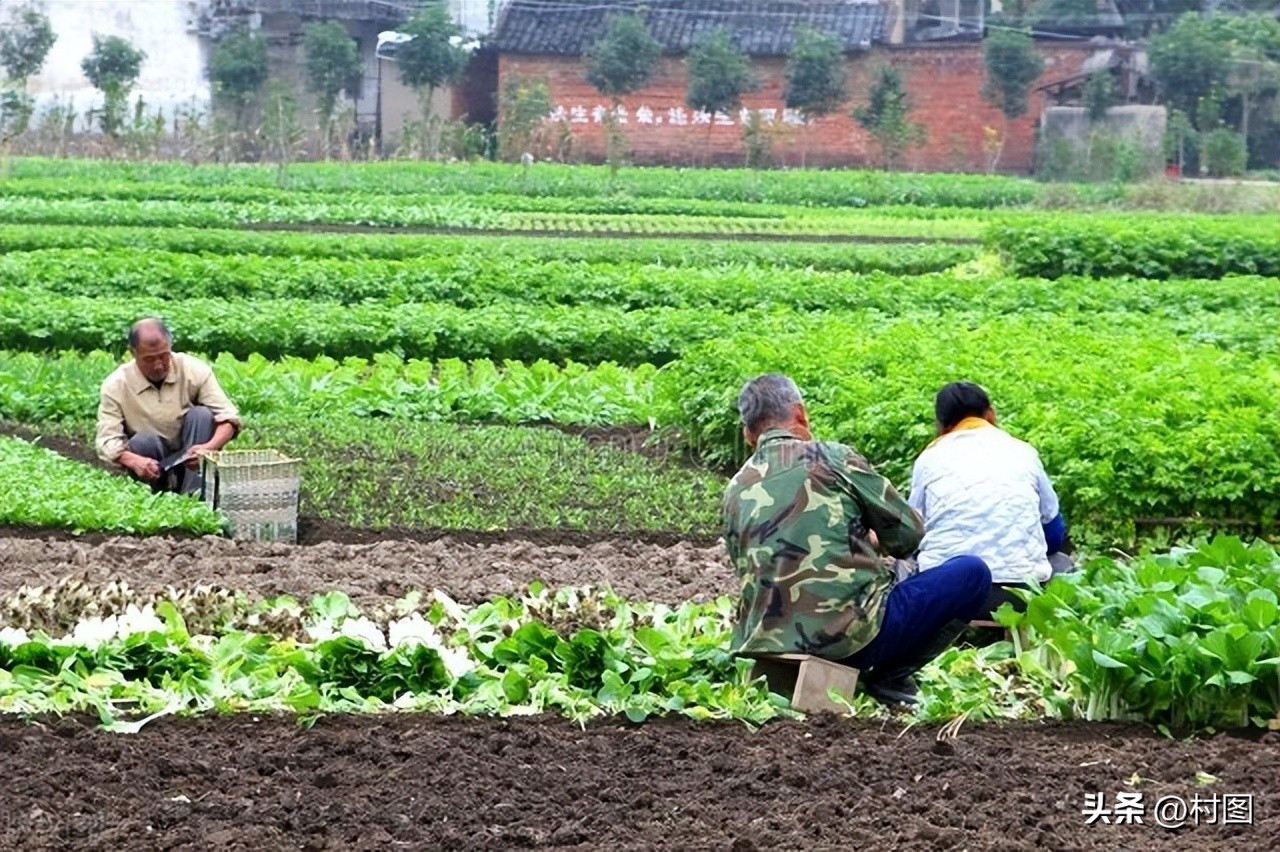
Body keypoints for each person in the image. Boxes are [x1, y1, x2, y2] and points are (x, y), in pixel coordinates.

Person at [722, 374, 991, 707]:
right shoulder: (833, 458)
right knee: (971, 573)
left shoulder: (734, 488)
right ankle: (890, 676)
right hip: (848, 642)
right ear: (801, 415)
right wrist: (871, 540)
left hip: (760, 644)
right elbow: (909, 535)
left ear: (749, 434)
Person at [908, 381, 1073, 620]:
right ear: (991, 414)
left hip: (951, 596)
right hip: (1018, 594)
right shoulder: (1024, 452)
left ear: (941, 425)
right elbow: (1054, 533)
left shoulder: (929, 458)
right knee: (1062, 563)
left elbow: (912, 533)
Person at [95, 318, 242, 495]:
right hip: (150, 456)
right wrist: (134, 461)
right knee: (143, 440)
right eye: (149, 359)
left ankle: (196, 492)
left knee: (202, 415)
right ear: (133, 353)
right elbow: (107, 440)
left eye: (164, 356)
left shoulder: (194, 369)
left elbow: (228, 418)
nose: (158, 365)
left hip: (190, 451)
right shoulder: (116, 385)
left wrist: (209, 447)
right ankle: (155, 493)